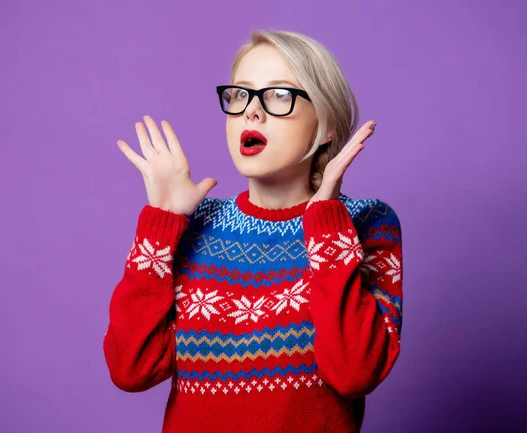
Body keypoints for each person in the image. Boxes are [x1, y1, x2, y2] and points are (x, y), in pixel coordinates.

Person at [103, 29, 403, 433]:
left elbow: (354, 373)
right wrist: (161, 222)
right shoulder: (192, 225)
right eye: (241, 95)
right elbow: (130, 369)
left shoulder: (368, 222)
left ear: (326, 126)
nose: (251, 112)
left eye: (279, 95)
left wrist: (327, 222)